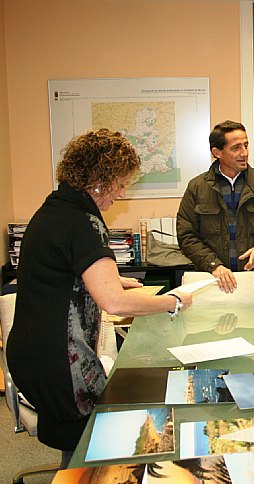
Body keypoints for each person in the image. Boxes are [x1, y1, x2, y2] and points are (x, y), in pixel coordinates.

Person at [6, 129, 193, 467]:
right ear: (98, 180)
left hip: (34, 354)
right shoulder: (82, 221)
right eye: (120, 184)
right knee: (97, 446)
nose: (121, 194)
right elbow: (115, 304)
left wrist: (111, 277)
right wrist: (173, 300)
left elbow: (60, 271)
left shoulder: (53, 210)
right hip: (60, 362)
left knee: (80, 446)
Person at [177, 120, 254, 293]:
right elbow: (186, 235)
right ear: (217, 152)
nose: (244, 153)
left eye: (246, 145)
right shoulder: (197, 187)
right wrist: (213, 265)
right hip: (212, 279)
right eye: (236, 148)